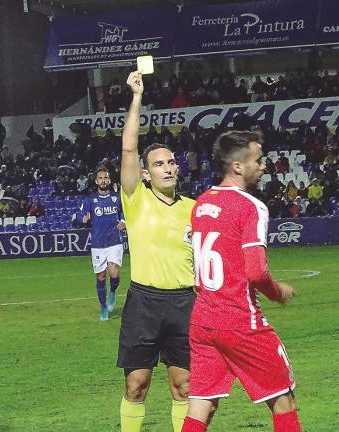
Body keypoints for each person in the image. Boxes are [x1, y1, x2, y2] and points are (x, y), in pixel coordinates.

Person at [183, 131, 301, 432]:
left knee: (201, 406)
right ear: (237, 166)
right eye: (257, 160)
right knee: (283, 400)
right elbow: (256, 272)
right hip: (239, 321)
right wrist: (277, 292)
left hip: (203, 321)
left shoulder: (201, 203)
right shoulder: (250, 206)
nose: (263, 166)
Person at [117, 71, 196, 432]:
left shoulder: (193, 208)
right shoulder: (136, 200)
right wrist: (136, 97)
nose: (168, 167)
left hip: (185, 303)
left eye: (172, 162)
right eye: (159, 163)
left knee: (185, 386)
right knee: (137, 385)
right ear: (146, 174)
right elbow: (130, 148)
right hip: (144, 303)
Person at [71, 166, 125, 320]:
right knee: (101, 276)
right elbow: (76, 218)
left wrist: (124, 221)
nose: (103, 180)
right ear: (96, 181)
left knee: (114, 273)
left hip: (115, 241)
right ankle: (103, 308)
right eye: (100, 178)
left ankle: (113, 292)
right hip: (98, 243)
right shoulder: (90, 200)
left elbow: (126, 213)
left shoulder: (117, 198)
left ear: (110, 180)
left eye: (105, 177)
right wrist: (83, 220)